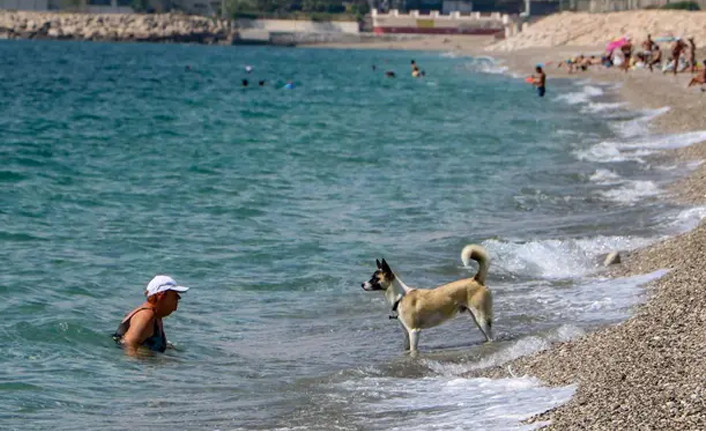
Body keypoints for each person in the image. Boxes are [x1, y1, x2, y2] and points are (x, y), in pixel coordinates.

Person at [113, 275, 189, 356]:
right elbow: (128, 347)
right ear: (161, 295)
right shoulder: (145, 316)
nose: (178, 299)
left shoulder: (156, 317)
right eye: (175, 296)